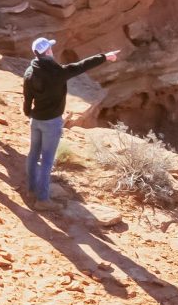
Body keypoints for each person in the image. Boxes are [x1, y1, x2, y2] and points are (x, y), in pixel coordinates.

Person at [20, 36, 119, 204]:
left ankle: (31, 190)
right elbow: (82, 66)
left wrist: (28, 112)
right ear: (48, 52)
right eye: (50, 48)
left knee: (33, 154)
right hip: (51, 122)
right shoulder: (58, 72)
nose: (52, 50)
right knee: (47, 161)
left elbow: (27, 98)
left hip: (36, 120)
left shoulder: (30, 72)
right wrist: (105, 57)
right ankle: (43, 200)